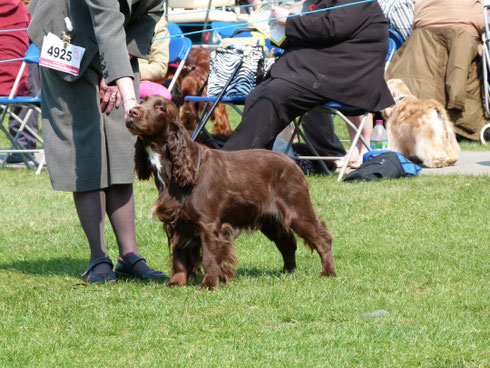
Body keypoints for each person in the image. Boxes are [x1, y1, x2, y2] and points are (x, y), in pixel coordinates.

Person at [27, 0, 168, 283]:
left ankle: (130, 256)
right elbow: (105, 20)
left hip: (116, 44)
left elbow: (149, 14)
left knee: (120, 143)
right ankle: (98, 258)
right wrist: (130, 98)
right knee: (85, 145)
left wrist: (118, 67)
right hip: (66, 34)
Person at [221, 0, 394, 168]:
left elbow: (330, 27)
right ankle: (253, 165)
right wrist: (276, 29)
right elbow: (314, 31)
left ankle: (230, 165)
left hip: (344, 75)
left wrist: (289, 20)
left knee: (273, 96)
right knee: (257, 96)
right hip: (318, 71)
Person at [386, 0, 489, 141]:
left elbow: (415, 23)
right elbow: (483, 25)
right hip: (459, 62)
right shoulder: (470, 7)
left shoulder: (422, 5)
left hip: (421, 55)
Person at [0, 0, 40, 164]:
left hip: (6, 82)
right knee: (30, 66)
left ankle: (23, 145)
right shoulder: (21, 9)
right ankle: (24, 144)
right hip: (16, 86)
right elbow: (34, 36)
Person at [138, 14, 172, 101]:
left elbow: (160, 66)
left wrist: (133, 73)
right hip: (104, 74)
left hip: (138, 78)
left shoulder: (158, 23)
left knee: (163, 96)